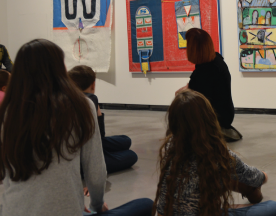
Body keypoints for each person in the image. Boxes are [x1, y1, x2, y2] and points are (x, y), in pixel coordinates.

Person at [0, 38, 152, 216]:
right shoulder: (81, 105)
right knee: (146, 205)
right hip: (68, 210)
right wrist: (97, 205)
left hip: (12, 210)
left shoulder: (8, 111)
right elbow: (96, 172)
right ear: (59, 69)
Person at [153, 89, 276, 216]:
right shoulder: (217, 153)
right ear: (208, 118)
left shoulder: (169, 147)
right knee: (274, 208)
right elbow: (255, 177)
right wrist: (265, 176)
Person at [174, 28, 242, 142]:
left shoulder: (204, 70)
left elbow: (190, 91)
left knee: (180, 100)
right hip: (226, 114)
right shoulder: (217, 61)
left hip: (217, 117)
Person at [68, 65, 138, 174]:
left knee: (125, 140)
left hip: (79, 145)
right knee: (131, 155)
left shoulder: (66, 98)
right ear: (93, 84)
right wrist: (97, 112)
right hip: (85, 154)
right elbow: (98, 136)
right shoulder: (90, 98)